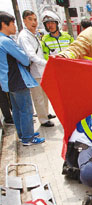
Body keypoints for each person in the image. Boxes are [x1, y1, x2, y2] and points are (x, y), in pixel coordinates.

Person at [0, 11, 45, 146]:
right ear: (4, 24)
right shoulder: (6, 41)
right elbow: (25, 59)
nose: (14, 26)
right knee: (26, 109)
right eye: (12, 23)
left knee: (17, 109)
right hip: (18, 79)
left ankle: (23, 134)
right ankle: (28, 138)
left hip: (8, 80)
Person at [17, 10, 55, 128]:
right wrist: (46, 63)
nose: (33, 22)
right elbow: (31, 56)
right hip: (34, 72)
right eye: (30, 19)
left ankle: (46, 113)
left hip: (41, 70)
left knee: (44, 94)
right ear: (24, 21)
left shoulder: (33, 35)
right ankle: (43, 119)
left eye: (35, 19)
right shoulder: (24, 36)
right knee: (38, 96)